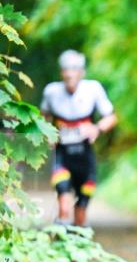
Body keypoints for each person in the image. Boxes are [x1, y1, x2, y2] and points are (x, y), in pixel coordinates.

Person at [41, 50, 117, 227]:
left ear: (82, 72)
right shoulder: (51, 92)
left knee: (81, 212)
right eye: (66, 70)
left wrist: (96, 128)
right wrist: (48, 134)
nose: (69, 74)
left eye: (74, 69)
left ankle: (79, 240)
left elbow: (111, 117)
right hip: (62, 156)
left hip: (85, 157)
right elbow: (43, 117)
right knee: (64, 206)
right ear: (61, 72)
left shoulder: (93, 89)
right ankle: (61, 240)